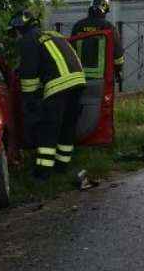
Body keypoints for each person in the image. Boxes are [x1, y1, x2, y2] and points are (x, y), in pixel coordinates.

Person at [11, 9, 87, 179]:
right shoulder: (53, 34)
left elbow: (29, 75)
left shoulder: (28, 40)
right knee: (67, 127)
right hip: (78, 82)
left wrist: (29, 101)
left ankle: (43, 173)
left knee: (49, 128)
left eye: (15, 31)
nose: (15, 35)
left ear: (20, 28)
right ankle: (62, 167)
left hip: (58, 86)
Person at [71, 0, 124, 89]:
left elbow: (70, 50)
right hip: (103, 77)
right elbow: (118, 54)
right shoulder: (108, 27)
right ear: (104, 11)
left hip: (79, 77)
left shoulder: (78, 26)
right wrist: (118, 70)